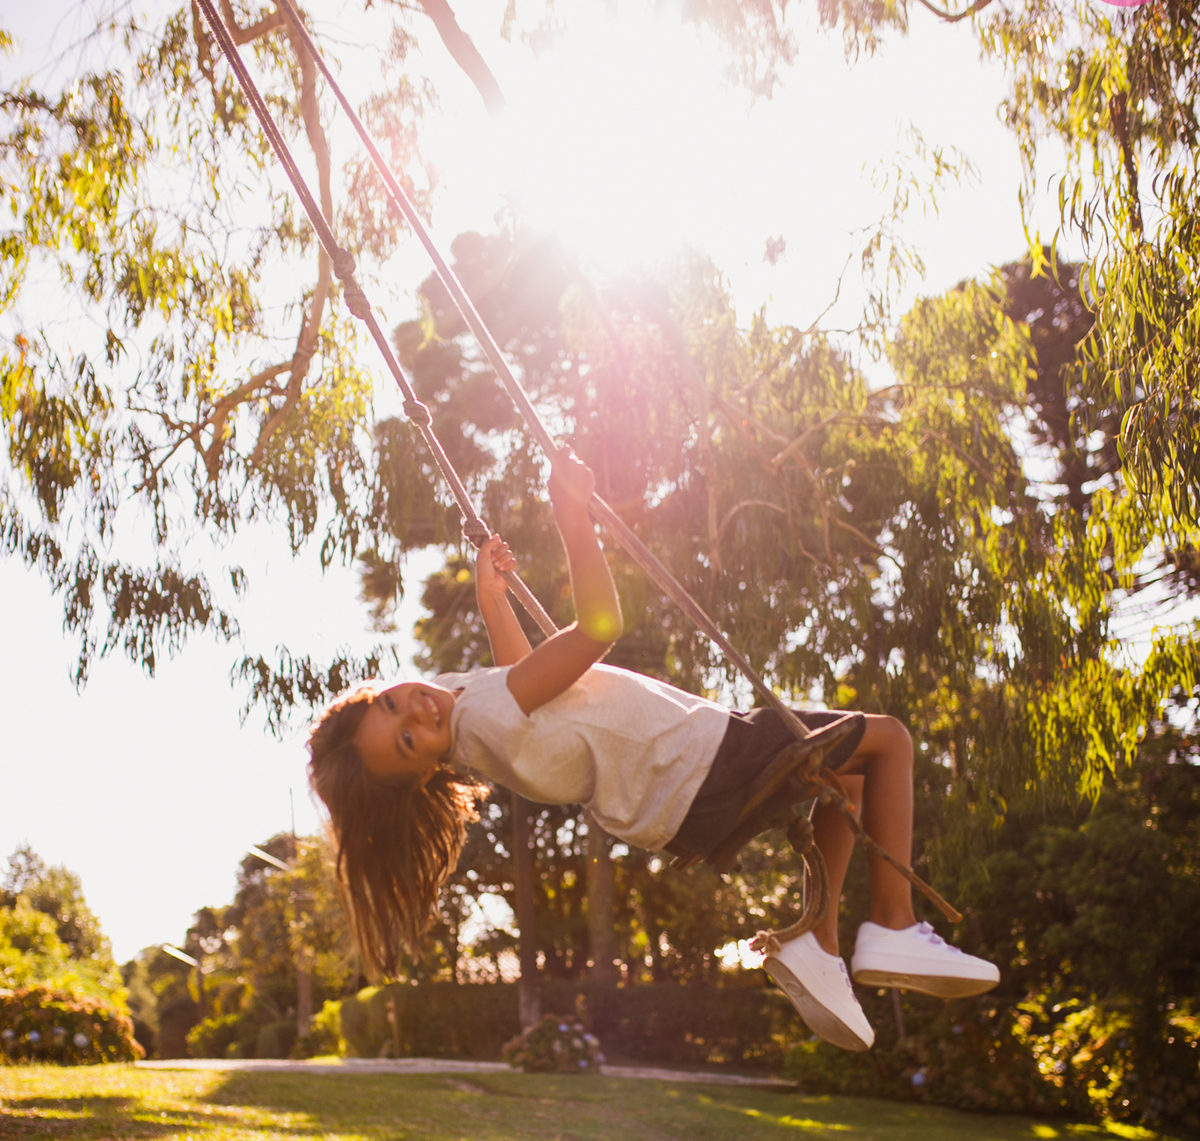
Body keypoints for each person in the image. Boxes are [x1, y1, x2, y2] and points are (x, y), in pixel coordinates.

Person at [307, 449, 998, 1051]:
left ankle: (818, 942)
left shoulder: (469, 723)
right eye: (407, 740)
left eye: (391, 701)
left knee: (845, 786)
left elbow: (526, 692)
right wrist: (571, 516)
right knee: (889, 741)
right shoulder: (479, 715)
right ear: (422, 773)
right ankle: (894, 926)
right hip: (702, 760)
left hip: (683, 795)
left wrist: (495, 604)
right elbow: (600, 627)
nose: (417, 709)